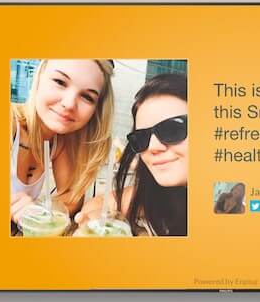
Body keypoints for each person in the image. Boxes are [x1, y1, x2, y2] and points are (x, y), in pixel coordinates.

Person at [9, 59, 114, 232]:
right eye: (59, 82)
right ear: (38, 77)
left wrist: (39, 210)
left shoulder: (59, 141)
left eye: (87, 97)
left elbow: (72, 199)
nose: (69, 103)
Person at [105, 72, 188, 236]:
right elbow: (105, 201)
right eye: (141, 137)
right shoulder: (166, 192)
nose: (152, 147)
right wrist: (91, 217)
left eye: (172, 129)